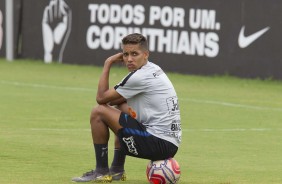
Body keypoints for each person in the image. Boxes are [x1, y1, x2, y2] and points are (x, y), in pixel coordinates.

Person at [72, 33, 182, 182]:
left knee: (98, 112)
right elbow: (115, 100)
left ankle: (101, 171)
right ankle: (117, 170)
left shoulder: (139, 76)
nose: (129, 59)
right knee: (119, 108)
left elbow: (101, 98)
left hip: (158, 143)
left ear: (145, 54)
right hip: (169, 143)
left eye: (134, 54)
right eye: (125, 54)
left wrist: (108, 63)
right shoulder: (153, 69)